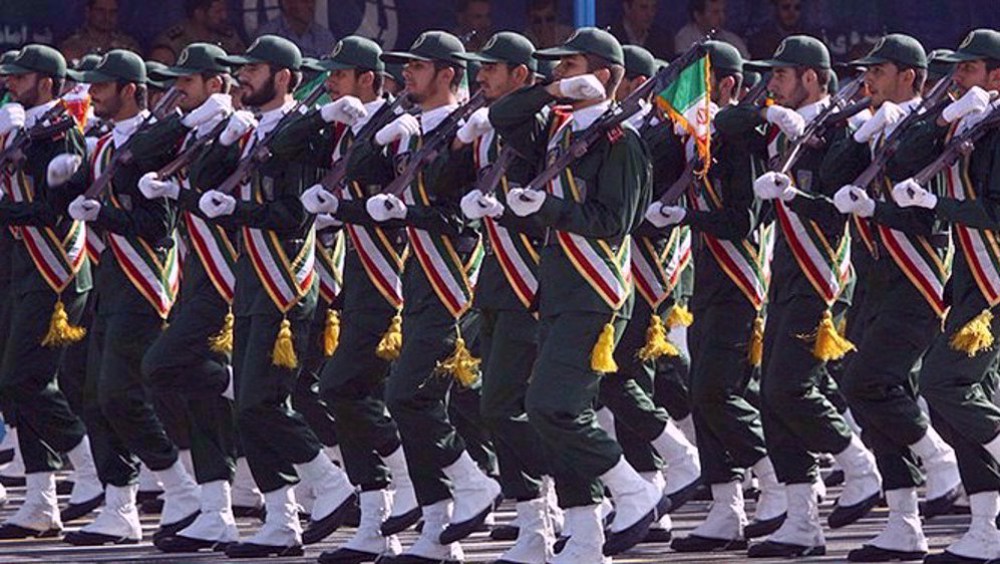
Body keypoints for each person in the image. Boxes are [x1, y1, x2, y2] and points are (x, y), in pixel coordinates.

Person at [490, 27, 663, 562]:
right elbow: (503, 117)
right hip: (560, 289)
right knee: (548, 414)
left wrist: (542, 209)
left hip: (595, 291)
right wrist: (550, 91)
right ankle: (586, 537)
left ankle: (634, 491)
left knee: (553, 406)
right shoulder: (560, 132)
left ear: (603, 75)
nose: (559, 74)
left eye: (570, 67)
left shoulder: (623, 142)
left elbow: (616, 221)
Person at [714, 35, 882, 557]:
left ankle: (859, 464)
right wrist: (783, 125)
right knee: (771, 396)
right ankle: (803, 520)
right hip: (784, 276)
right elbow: (725, 122)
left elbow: (838, 209)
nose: (771, 87)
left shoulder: (842, 130)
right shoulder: (790, 128)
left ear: (810, 78)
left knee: (788, 387)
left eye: (781, 77)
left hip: (822, 279)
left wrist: (797, 195)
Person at [195, 35, 357, 558]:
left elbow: (293, 214)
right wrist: (222, 140)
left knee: (263, 402)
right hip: (252, 284)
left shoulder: (303, 134)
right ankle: (281, 521)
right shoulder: (250, 130)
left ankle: (331, 485)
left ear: (284, 77)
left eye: (255, 69)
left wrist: (237, 212)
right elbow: (201, 184)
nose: (243, 78)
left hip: (283, 285)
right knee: (248, 407)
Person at [358, 30, 502, 563]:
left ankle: (474, 482)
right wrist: (374, 131)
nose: (407, 76)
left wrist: (409, 213)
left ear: (448, 74)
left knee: (406, 395)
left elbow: (466, 213)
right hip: (417, 277)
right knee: (417, 401)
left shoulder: (471, 130)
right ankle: (439, 526)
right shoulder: (416, 128)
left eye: (418, 68)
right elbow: (360, 173)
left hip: (453, 280)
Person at [50, 49, 201, 547]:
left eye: (103, 86)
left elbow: (157, 228)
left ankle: (180, 488)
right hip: (106, 279)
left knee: (119, 392)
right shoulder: (104, 140)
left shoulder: (153, 142)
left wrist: (101, 215)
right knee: (87, 391)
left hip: (143, 282)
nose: (93, 94)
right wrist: (64, 181)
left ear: (131, 90)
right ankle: (120, 505)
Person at [824, 34, 963, 562]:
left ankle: (939, 458)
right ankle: (904, 523)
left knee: (870, 380)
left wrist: (875, 211)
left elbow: (929, 215)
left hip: (917, 279)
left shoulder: (930, 129)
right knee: (864, 392)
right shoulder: (880, 125)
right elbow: (836, 180)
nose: (867, 82)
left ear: (909, 75)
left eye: (878, 72)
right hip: (875, 279)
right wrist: (856, 136)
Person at [646, 40, 787, 553]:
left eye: (700, 87)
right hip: (708, 282)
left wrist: (687, 216)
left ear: (728, 86)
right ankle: (725, 506)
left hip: (739, 281)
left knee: (714, 391)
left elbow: (741, 220)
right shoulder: (696, 141)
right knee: (703, 398)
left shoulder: (740, 140)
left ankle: (775, 482)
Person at [289, 34, 427, 562]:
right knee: (343, 393)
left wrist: (340, 209)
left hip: (394, 279)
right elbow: (279, 148)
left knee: (348, 386)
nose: (330, 87)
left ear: (368, 79)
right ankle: (378, 520)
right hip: (354, 277)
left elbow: (403, 195)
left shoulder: (398, 129)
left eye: (340, 77)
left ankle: (416, 492)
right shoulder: (346, 127)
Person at [890, 28, 1000, 564]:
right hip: (970, 282)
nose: (957, 79)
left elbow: (997, 211)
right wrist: (940, 121)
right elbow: (899, 160)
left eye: (969, 70)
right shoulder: (970, 121)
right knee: (965, 400)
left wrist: (936, 207)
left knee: (944, 382)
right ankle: (987, 528)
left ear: (997, 76)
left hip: (995, 284)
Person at [130, 42, 244, 554]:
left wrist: (209, 123)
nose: (179, 90)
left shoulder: (233, 131)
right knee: (200, 399)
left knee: (160, 366)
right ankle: (215, 510)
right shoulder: (195, 128)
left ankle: (234, 380)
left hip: (226, 277)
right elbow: (139, 151)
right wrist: (181, 118)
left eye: (190, 83)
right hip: (196, 272)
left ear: (217, 85)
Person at [452, 30, 561, 563]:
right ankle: (541, 512)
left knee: (504, 405)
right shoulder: (490, 127)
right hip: (495, 282)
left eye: (493, 69)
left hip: (529, 285)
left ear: (521, 76)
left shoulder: (528, 121)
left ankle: (547, 512)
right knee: (486, 403)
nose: (482, 78)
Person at [0, 43, 103, 540]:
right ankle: (41, 503)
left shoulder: (63, 132)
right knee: (17, 386)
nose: (10, 85)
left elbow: (54, 209)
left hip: (55, 271)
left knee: (23, 378)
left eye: (20, 79)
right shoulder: (24, 127)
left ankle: (89, 472)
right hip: (24, 267)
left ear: (46, 82)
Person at [149, 0, 246, 65]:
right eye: (218, 12)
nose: (224, 16)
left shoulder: (228, 37)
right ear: (199, 13)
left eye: (225, 11)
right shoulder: (173, 41)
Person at [59, 0, 141, 63]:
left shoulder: (128, 46)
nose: (106, 17)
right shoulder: (72, 45)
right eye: (100, 11)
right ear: (88, 12)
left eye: (112, 12)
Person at [255, 0, 336, 59]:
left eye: (313, 2)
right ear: (288, 3)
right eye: (305, 1)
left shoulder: (324, 36)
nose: (311, 6)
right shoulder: (268, 35)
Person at [674, 0, 749, 58]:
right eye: (715, 12)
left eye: (723, 11)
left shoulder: (733, 40)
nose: (721, 17)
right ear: (698, 15)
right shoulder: (685, 39)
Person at [609, 0, 673, 60]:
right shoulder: (611, 37)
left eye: (653, 8)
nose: (650, 14)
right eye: (643, 8)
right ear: (627, 8)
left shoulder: (663, 39)